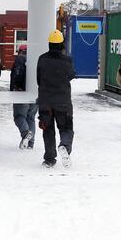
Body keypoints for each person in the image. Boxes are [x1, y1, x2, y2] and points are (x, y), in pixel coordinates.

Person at [36, 30, 75, 168]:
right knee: (66, 128)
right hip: (62, 101)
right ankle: (64, 145)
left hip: (46, 101)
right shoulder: (67, 60)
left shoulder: (42, 59)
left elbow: (38, 80)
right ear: (61, 44)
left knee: (48, 130)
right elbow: (71, 75)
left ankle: (49, 159)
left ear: (49, 44)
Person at [10, 44, 37, 149]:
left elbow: (18, 73)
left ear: (20, 51)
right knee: (31, 117)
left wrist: (17, 86)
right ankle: (30, 143)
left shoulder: (20, 59)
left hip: (21, 93)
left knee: (19, 116)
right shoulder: (35, 59)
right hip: (35, 93)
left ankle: (26, 133)